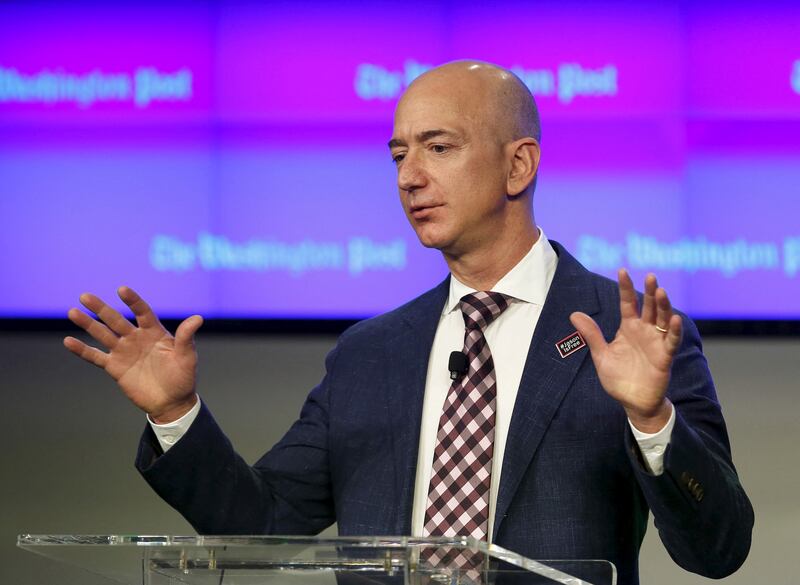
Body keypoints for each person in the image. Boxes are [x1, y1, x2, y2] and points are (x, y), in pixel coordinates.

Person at [64, 61, 753, 585]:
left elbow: (717, 548)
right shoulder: (371, 353)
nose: (408, 177)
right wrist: (178, 412)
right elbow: (263, 524)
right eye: (399, 155)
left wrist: (654, 420)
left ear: (520, 164)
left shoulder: (626, 334)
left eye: (438, 148)